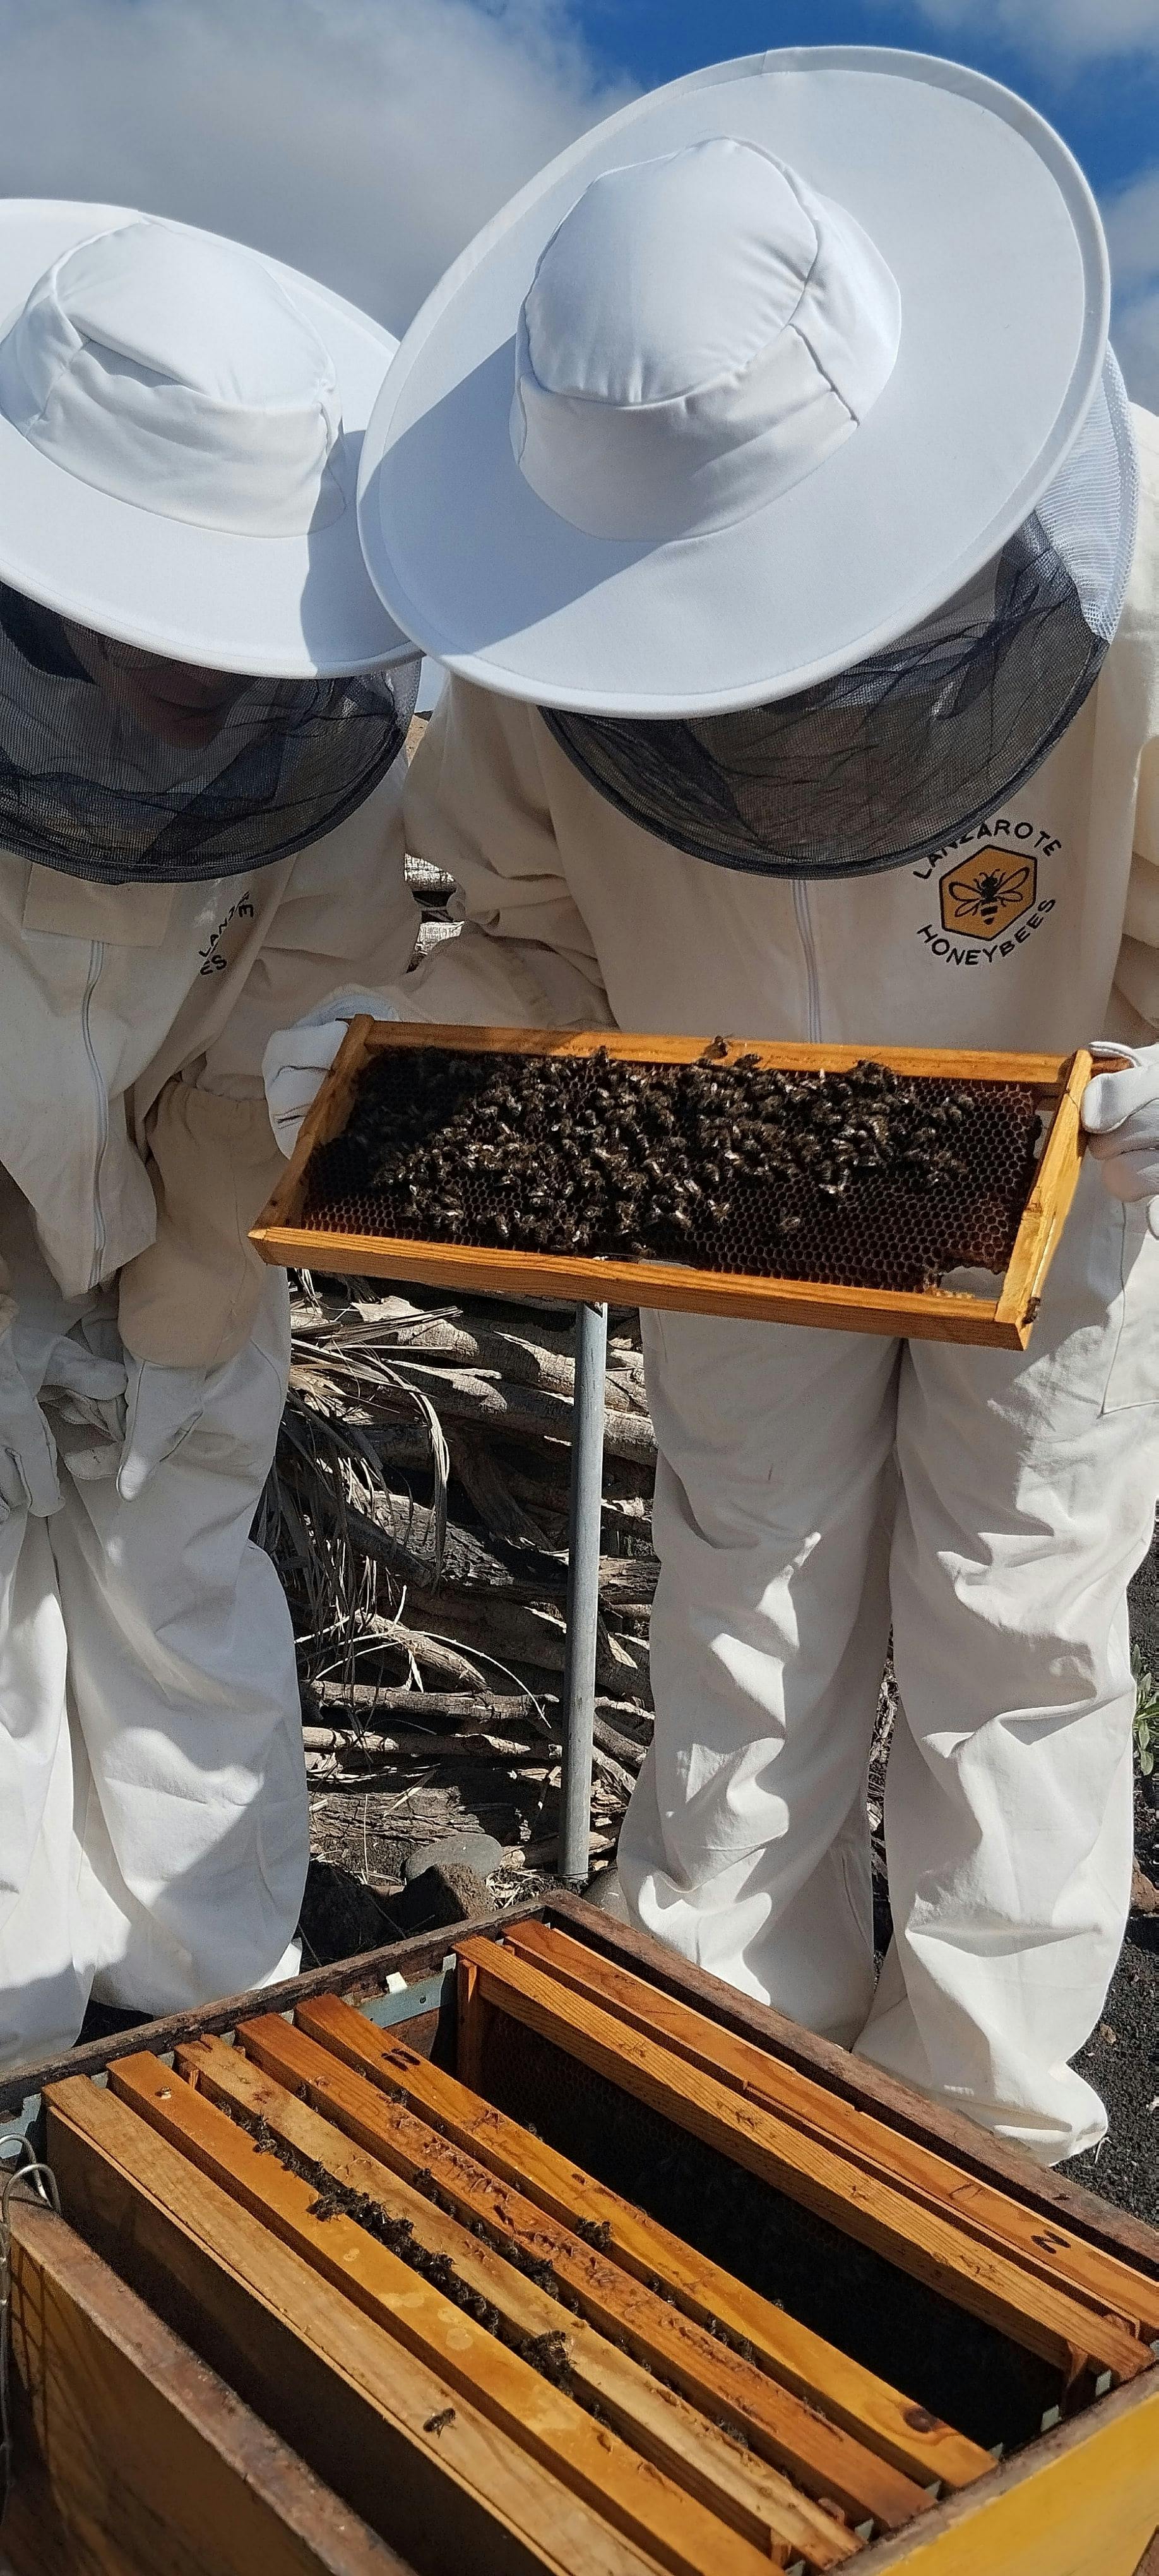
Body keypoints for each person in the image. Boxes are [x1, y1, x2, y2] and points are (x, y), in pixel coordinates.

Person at [267, 51, 1159, 2164]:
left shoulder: (1131, 587)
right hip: (728, 1168)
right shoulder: (542, 642)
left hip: (1073, 1160)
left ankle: (978, 2123)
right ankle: (730, 2029)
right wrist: (409, 1033)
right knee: (748, 1585)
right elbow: (534, 931)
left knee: (1013, 1613)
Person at [0, 205, 420, 2069]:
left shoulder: (318, 748)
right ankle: (21, 2023)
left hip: (191, 1209)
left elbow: (282, 1029)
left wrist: (176, 1312)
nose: (206, 669)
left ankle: (208, 1995)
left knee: (176, 1570)